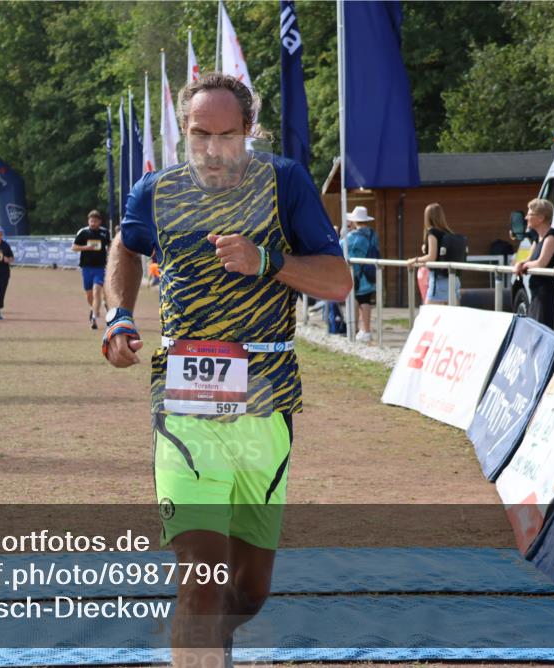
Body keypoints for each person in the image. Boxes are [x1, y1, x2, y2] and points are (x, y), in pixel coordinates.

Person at [102, 72, 351, 668]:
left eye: (227, 135)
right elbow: (126, 246)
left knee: (249, 591)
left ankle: (208, 640)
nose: (213, 150)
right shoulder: (156, 191)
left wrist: (266, 259)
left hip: (266, 407)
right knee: (202, 578)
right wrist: (118, 313)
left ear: (249, 130)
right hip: (185, 408)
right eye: (199, 134)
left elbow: (338, 281)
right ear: (183, 133)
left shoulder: (284, 183)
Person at [512, 198, 554, 329]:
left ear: (541, 218)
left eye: (530, 214)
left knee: (546, 332)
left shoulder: (552, 237)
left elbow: (541, 263)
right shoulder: (537, 238)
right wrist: (520, 264)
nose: (526, 217)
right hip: (537, 295)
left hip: (548, 295)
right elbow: (529, 260)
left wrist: (524, 266)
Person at [407, 203, 460, 305]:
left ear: (427, 217)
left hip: (439, 280)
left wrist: (413, 260)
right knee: (451, 313)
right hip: (454, 278)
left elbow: (431, 257)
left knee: (428, 312)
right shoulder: (448, 232)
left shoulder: (432, 232)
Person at [70, 209, 111, 328]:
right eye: (91, 221)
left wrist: (110, 255)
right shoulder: (83, 232)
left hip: (100, 267)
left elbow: (109, 245)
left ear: (99, 222)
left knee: (97, 290)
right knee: (89, 295)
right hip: (86, 268)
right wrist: (87, 248)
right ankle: (93, 308)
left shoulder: (105, 232)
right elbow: (74, 247)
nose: (93, 223)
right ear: (88, 221)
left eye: (95, 221)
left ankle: (94, 318)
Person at [345, 206, 380, 342]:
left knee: (360, 301)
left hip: (358, 275)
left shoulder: (352, 237)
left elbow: (342, 247)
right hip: (371, 272)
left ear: (355, 221)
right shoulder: (373, 234)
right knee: (365, 301)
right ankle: (364, 330)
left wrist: (344, 234)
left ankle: (364, 330)